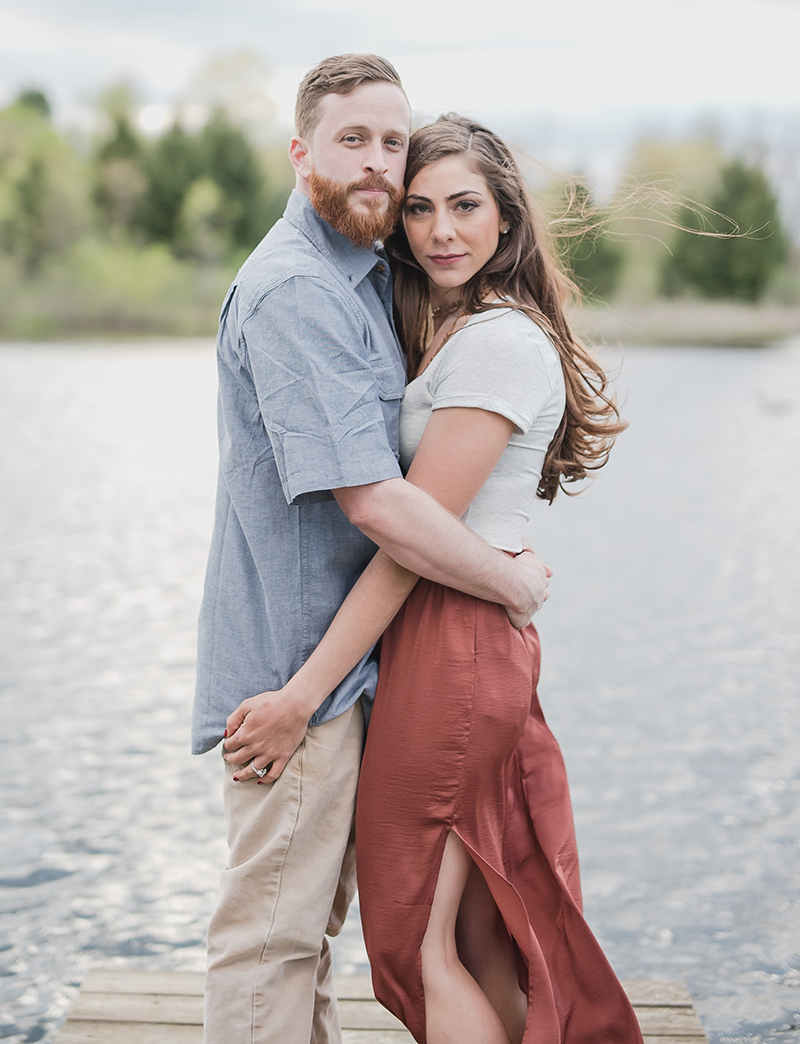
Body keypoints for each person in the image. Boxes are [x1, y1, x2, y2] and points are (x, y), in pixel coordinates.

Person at [223, 116, 642, 1043]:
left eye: (464, 206)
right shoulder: (458, 328)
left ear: (506, 219)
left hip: (452, 644)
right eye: (418, 208)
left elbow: (409, 537)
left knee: (413, 944)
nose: (439, 230)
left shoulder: (495, 344)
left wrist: (302, 690)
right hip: (451, 637)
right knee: (471, 931)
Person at [192, 59, 550, 1044]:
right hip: (299, 675)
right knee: (271, 939)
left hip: (353, 668)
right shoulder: (297, 291)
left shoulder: (368, 277)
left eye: (394, 143)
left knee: (306, 936)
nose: (380, 167)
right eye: (355, 140)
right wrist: (512, 579)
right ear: (301, 151)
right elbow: (381, 508)